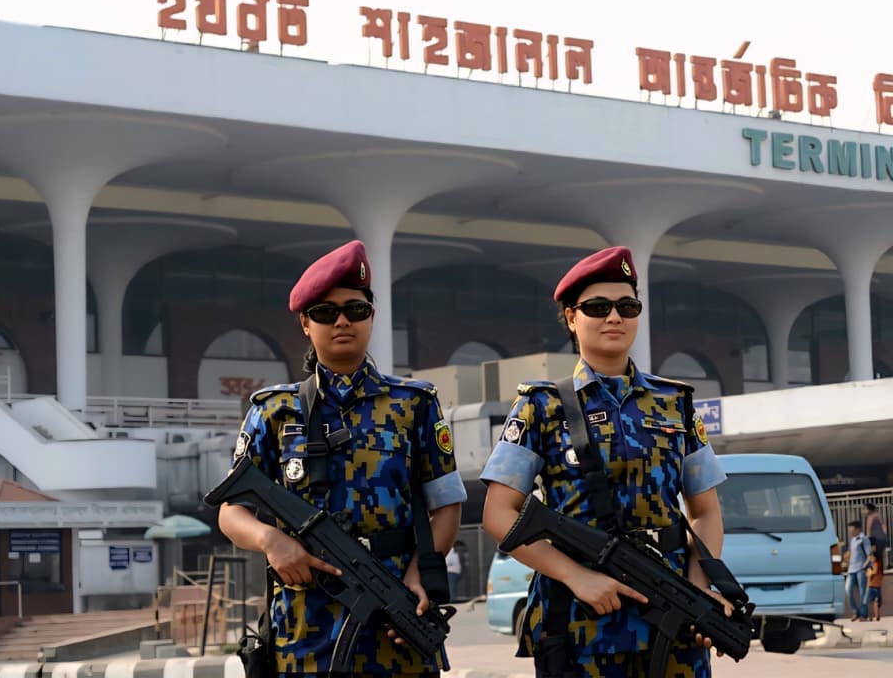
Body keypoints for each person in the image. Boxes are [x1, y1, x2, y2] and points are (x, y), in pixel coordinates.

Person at [217, 240, 466, 676]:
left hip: (396, 615)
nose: (342, 321)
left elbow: (446, 503)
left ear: (372, 315)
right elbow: (230, 510)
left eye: (356, 309)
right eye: (326, 313)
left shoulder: (415, 403)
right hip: (303, 624)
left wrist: (420, 571)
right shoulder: (274, 410)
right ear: (305, 324)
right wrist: (270, 542)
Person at [479, 246, 730, 678]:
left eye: (627, 306)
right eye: (597, 307)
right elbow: (498, 514)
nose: (614, 317)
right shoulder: (540, 406)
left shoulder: (676, 404)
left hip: (670, 618)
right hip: (577, 623)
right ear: (572, 318)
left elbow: (705, 510)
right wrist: (576, 576)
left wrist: (699, 588)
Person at [842, 521, 872, 621]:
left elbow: (869, 555)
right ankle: (855, 611)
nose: (850, 531)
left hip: (860, 569)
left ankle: (863, 614)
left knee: (862, 592)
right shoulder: (853, 540)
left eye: (852, 529)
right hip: (851, 569)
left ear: (858, 529)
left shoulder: (864, 539)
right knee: (848, 590)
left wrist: (865, 566)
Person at [865, 551, 883, 621]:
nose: (870, 558)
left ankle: (877, 615)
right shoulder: (870, 564)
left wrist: (869, 571)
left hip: (876, 585)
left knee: (876, 601)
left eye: (871, 557)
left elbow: (874, 572)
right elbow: (867, 573)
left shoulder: (877, 563)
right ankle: (871, 616)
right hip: (871, 585)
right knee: (871, 601)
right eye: (870, 557)